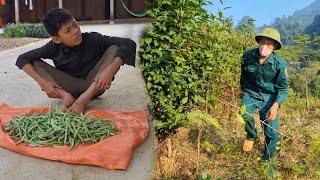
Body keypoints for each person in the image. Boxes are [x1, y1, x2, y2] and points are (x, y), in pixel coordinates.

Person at [15, 8, 136, 114]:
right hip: (69, 88)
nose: (76, 31)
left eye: (75, 24)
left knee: (114, 48)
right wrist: (43, 83)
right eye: (68, 31)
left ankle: (84, 99)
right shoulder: (52, 46)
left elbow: (129, 43)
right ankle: (66, 97)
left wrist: (109, 71)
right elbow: (22, 58)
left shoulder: (93, 39)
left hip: (95, 86)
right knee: (34, 61)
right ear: (57, 39)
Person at [240, 28, 288, 161]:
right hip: (251, 93)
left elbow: (283, 89)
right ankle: (251, 135)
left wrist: (275, 106)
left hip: (270, 97)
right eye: (262, 42)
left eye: (268, 44)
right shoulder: (247, 56)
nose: (264, 47)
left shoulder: (279, 64)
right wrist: (242, 91)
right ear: (258, 42)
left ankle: (266, 160)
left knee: (271, 132)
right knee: (244, 114)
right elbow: (243, 75)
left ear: (275, 46)